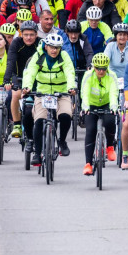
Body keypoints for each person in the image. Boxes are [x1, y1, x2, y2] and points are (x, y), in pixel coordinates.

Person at [21, 34, 77, 166]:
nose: (54, 50)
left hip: (61, 92)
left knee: (65, 116)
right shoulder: (38, 56)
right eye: (51, 47)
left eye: (57, 48)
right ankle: (37, 153)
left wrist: (71, 88)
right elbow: (31, 72)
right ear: (46, 46)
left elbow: (70, 72)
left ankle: (62, 141)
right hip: (43, 93)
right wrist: (27, 87)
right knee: (39, 121)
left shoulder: (64, 57)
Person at [80, 53, 118, 176]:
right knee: (90, 130)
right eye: (98, 68)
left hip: (106, 103)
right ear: (93, 67)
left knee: (110, 121)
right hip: (91, 104)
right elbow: (84, 92)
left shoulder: (112, 76)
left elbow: (114, 92)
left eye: (104, 69)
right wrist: (85, 107)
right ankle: (88, 164)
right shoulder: (88, 75)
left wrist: (113, 107)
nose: (101, 71)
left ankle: (110, 147)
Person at [4, 20, 39, 143]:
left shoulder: (40, 44)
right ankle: (17, 124)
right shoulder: (16, 43)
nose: (29, 38)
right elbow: (11, 62)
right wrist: (7, 79)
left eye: (31, 35)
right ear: (21, 34)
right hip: (18, 75)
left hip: (36, 77)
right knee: (16, 94)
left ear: (36, 34)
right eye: (26, 35)